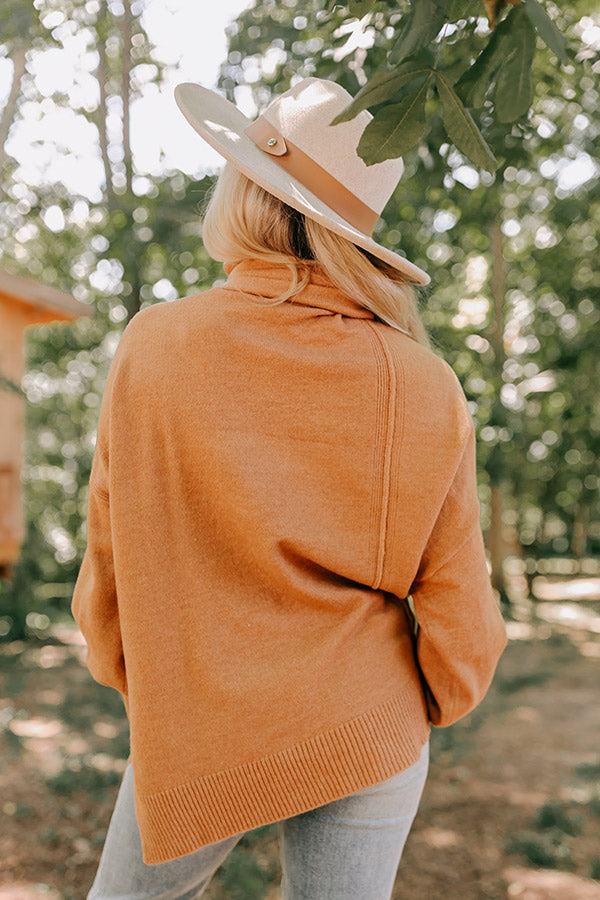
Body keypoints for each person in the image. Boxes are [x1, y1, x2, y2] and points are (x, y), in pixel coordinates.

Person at [71, 76, 508, 900]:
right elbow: (458, 597)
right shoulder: (423, 379)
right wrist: (432, 701)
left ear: (246, 193)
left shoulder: (156, 344)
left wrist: (143, 680)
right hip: (367, 720)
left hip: (198, 722)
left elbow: (111, 550)